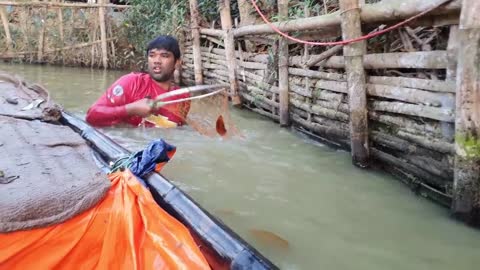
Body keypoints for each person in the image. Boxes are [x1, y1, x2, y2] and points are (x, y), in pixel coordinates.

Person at [86, 35, 189, 127]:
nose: (157, 60)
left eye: (164, 56)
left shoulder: (183, 97)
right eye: (152, 55)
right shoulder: (132, 83)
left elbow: (179, 129)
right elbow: (91, 116)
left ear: (177, 63)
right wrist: (130, 109)